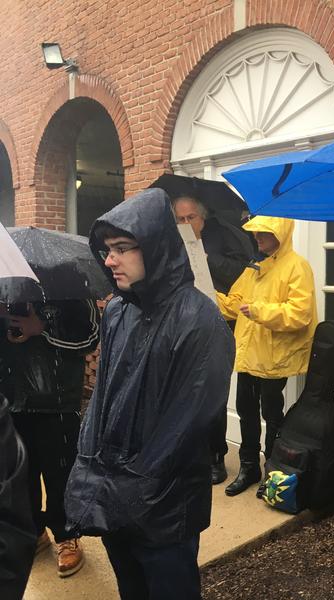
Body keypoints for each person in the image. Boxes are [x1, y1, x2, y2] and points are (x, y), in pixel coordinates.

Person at [64, 188, 235, 600]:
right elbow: (102, 399)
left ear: (156, 247)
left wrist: (132, 489)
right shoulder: (119, 312)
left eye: (123, 248)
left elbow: (188, 424)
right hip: (114, 499)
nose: (110, 260)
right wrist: (90, 475)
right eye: (107, 249)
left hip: (164, 507)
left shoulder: (200, 321)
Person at [217, 216, 317, 497]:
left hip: (274, 358)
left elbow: (300, 314)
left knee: (272, 415)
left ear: (280, 233)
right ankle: (249, 468)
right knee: (246, 412)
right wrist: (210, 297)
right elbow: (236, 304)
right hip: (249, 354)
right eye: (256, 231)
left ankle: (273, 471)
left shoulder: (297, 266)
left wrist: (260, 310)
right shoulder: (254, 267)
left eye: (264, 232)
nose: (258, 237)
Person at [0, 297, 99, 578]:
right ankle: (34, 532)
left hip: (56, 403)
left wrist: (40, 327)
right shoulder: (6, 283)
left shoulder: (71, 284)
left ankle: (66, 535)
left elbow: (89, 339)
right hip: (10, 401)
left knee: (61, 474)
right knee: (18, 476)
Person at [172, 194, 252, 485]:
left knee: (213, 391)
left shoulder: (222, 237)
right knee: (185, 391)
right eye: (179, 219)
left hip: (218, 322)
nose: (185, 223)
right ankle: (190, 452)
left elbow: (242, 271)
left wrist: (205, 257)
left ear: (203, 218)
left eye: (190, 217)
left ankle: (216, 456)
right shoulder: (172, 244)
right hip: (182, 322)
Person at [0, 394, 36, 600]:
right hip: (17, 395)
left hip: (56, 399)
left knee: (55, 466)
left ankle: (65, 536)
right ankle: (41, 531)